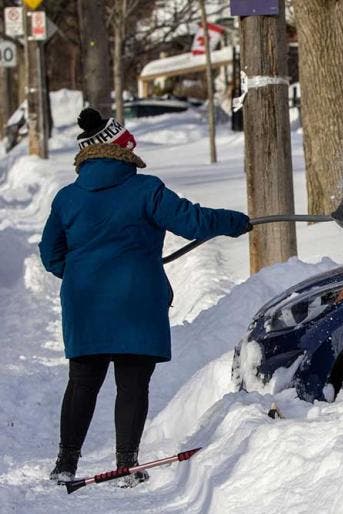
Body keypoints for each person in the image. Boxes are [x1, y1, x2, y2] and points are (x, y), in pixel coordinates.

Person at [39, 108, 252, 487]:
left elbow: (50, 253)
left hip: (85, 303)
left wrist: (79, 273)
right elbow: (194, 222)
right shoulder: (146, 189)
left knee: (82, 382)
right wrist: (235, 222)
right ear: (122, 150)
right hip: (137, 303)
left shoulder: (67, 198)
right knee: (132, 384)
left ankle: (65, 463)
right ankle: (125, 466)